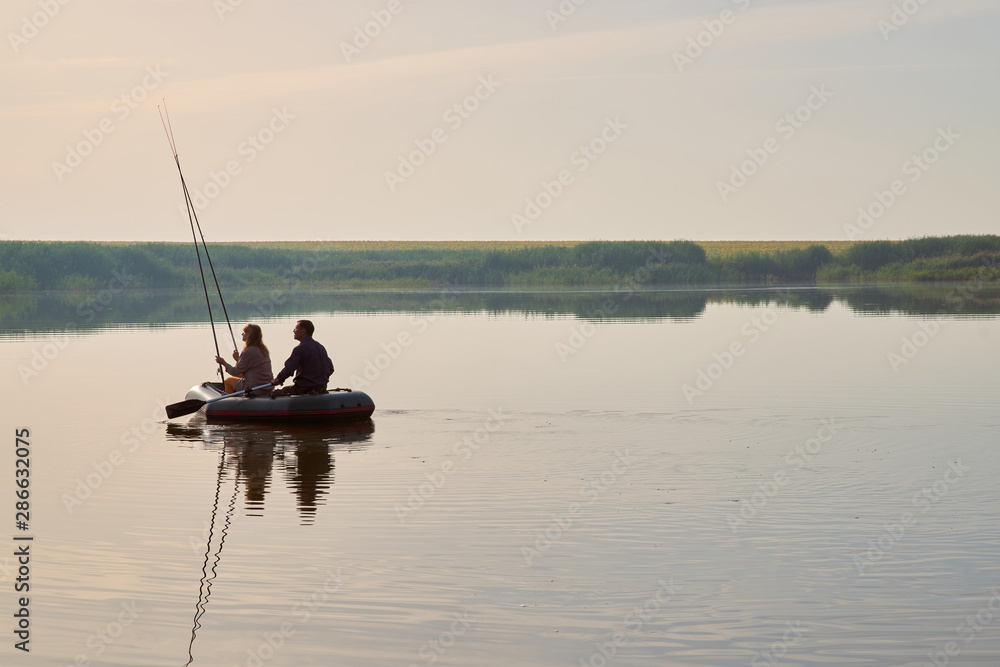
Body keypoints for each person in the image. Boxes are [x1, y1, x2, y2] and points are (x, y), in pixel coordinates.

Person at [271, 319, 334, 397]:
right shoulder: (320, 347)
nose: (293, 331)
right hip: (322, 387)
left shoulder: (299, 349)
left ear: (303, 331)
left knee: (279, 392)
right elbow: (330, 369)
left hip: (304, 388)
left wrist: (278, 379)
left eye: (296, 328)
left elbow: (289, 369)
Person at [215, 323, 274, 396]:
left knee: (228, 381)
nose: (242, 334)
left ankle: (230, 402)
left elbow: (235, 371)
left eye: (245, 332)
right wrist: (238, 360)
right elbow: (247, 369)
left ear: (250, 335)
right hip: (266, 387)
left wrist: (223, 363)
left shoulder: (249, 351)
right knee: (239, 377)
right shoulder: (263, 349)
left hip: (255, 388)